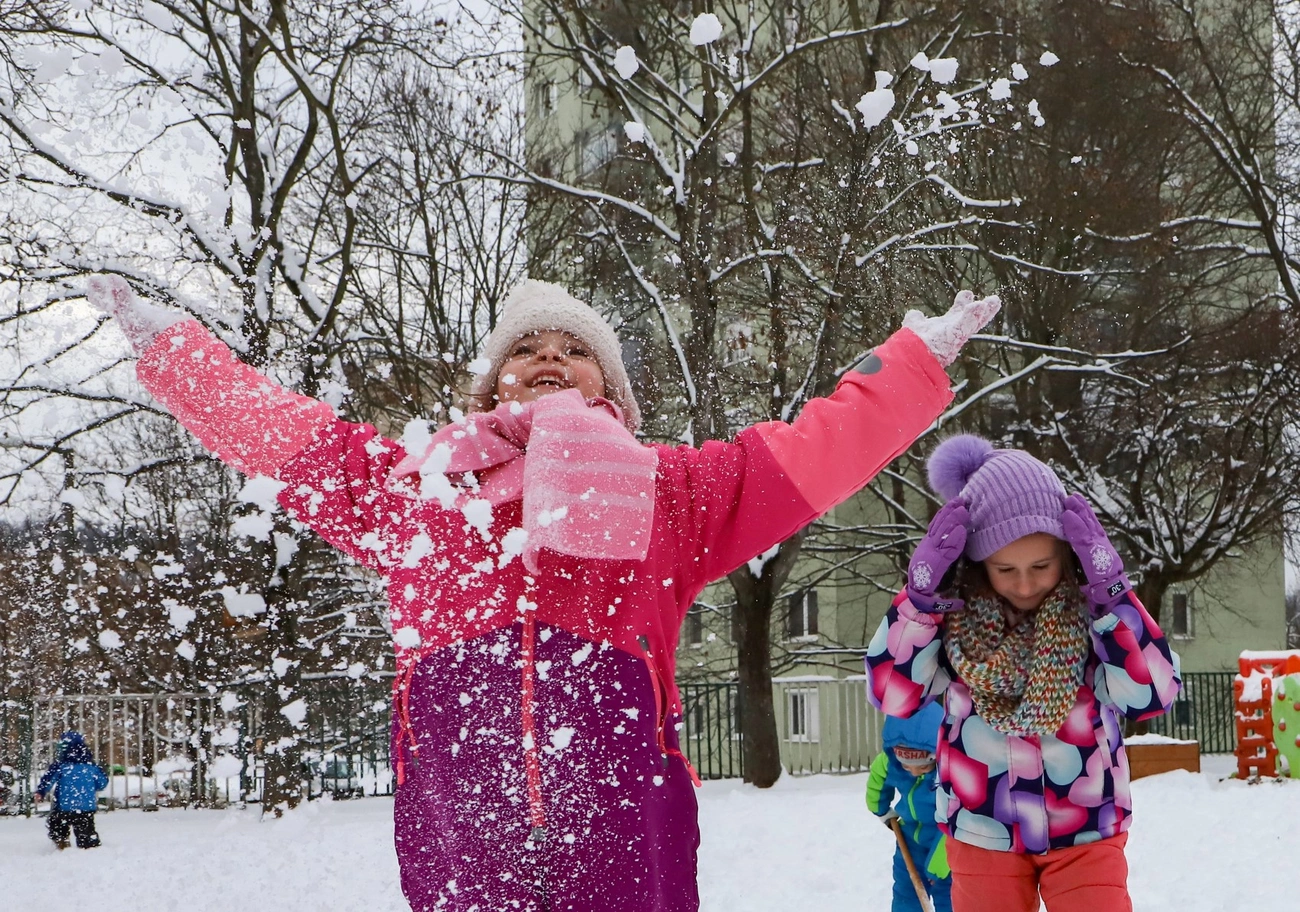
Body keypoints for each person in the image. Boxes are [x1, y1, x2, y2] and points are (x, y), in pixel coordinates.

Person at [88, 274, 998, 912]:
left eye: (575, 350)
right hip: (461, 823)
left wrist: (915, 358)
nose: (549, 359)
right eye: (525, 349)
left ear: (614, 389)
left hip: (625, 824)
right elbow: (285, 435)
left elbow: (813, 450)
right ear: (492, 382)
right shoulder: (418, 490)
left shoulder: (670, 491)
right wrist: (171, 350)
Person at [865, 434, 1182, 912]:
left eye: (1041, 565)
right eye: (1005, 569)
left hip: (1085, 825)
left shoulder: (1095, 620)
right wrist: (918, 602)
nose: (1026, 583)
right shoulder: (950, 625)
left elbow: (1153, 694)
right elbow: (891, 693)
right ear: (978, 563)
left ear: (1066, 554)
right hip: (982, 827)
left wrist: (1114, 597)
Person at [867, 704, 952, 912]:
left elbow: (957, 822)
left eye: (923, 767)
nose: (913, 772)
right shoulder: (891, 762)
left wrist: (938, 867)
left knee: (949, 898)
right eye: (906, 766)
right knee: (906, 896)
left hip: (945, 845)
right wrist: (881, 809)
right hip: (910, 840)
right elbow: (878, 777)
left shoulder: (951, 774)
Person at [35, 731, 108, 850]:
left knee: (57, 825)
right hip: (86, 807)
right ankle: (89, 847)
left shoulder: (61, 765)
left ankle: (62, 844)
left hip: (64, 806)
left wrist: (41, 792)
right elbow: (102, 783)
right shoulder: (92, 766)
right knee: (86, 830)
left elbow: (48, 780)